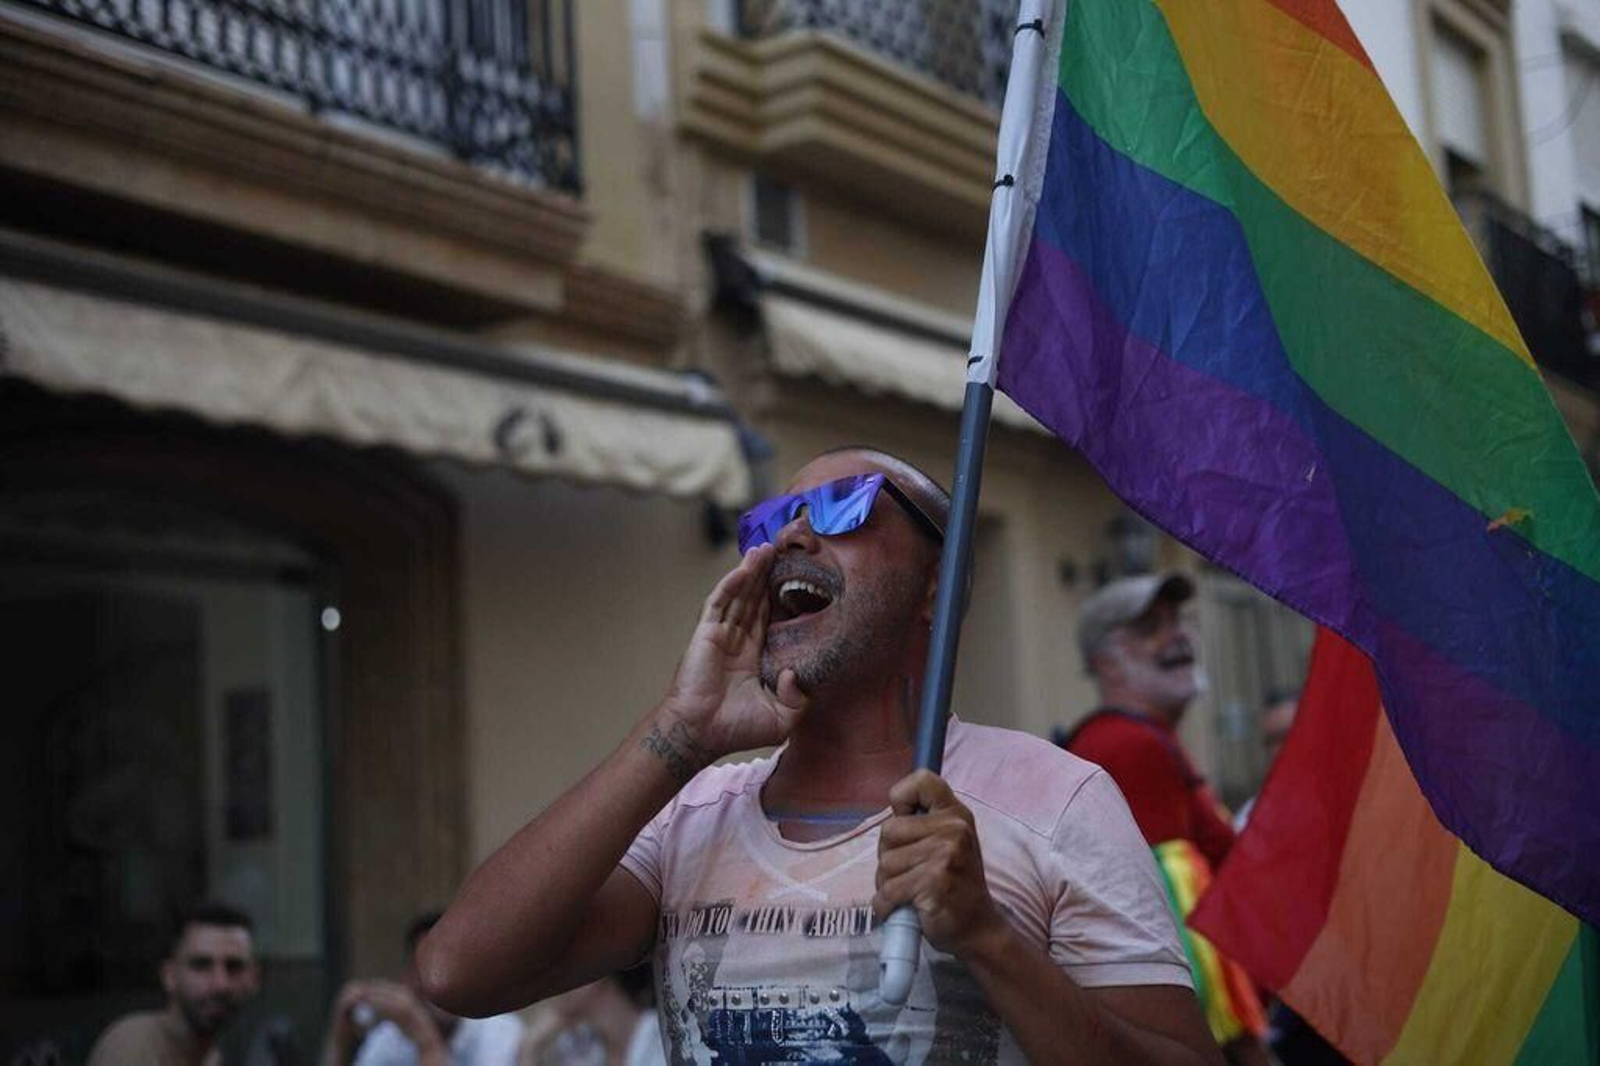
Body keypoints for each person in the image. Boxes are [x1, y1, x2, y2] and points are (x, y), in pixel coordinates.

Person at [419, 446, 1220, 1064]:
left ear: (937, 587)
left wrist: (986, 936)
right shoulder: (694, 816)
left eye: (843, 507)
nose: (792, 535)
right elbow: (459, 972)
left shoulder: (1060, 797)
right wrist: (681, 728)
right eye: (770, 521)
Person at [1061, 575, 1269, 1063]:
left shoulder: (1143, 738)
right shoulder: (1127, 746)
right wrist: (1248, 1043)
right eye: (1151, 627)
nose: (1177, 636)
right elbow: (1180, 922)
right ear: (1106, 661)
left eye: (1178, 621)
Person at [322, 913, 522, 1066]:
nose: (443, 984)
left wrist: (424, 1039)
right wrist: (340, 1041)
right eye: (426, 970)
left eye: (454, 967)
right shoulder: (390, 1037)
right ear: (407, 979)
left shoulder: (501, 1033)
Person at [86, 901, 261, 1066]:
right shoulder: (132, 1046)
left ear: (254, 978)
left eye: (234, 967)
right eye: (200, 965)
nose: (220, 984)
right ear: (170, 975)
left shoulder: (211, 1058)